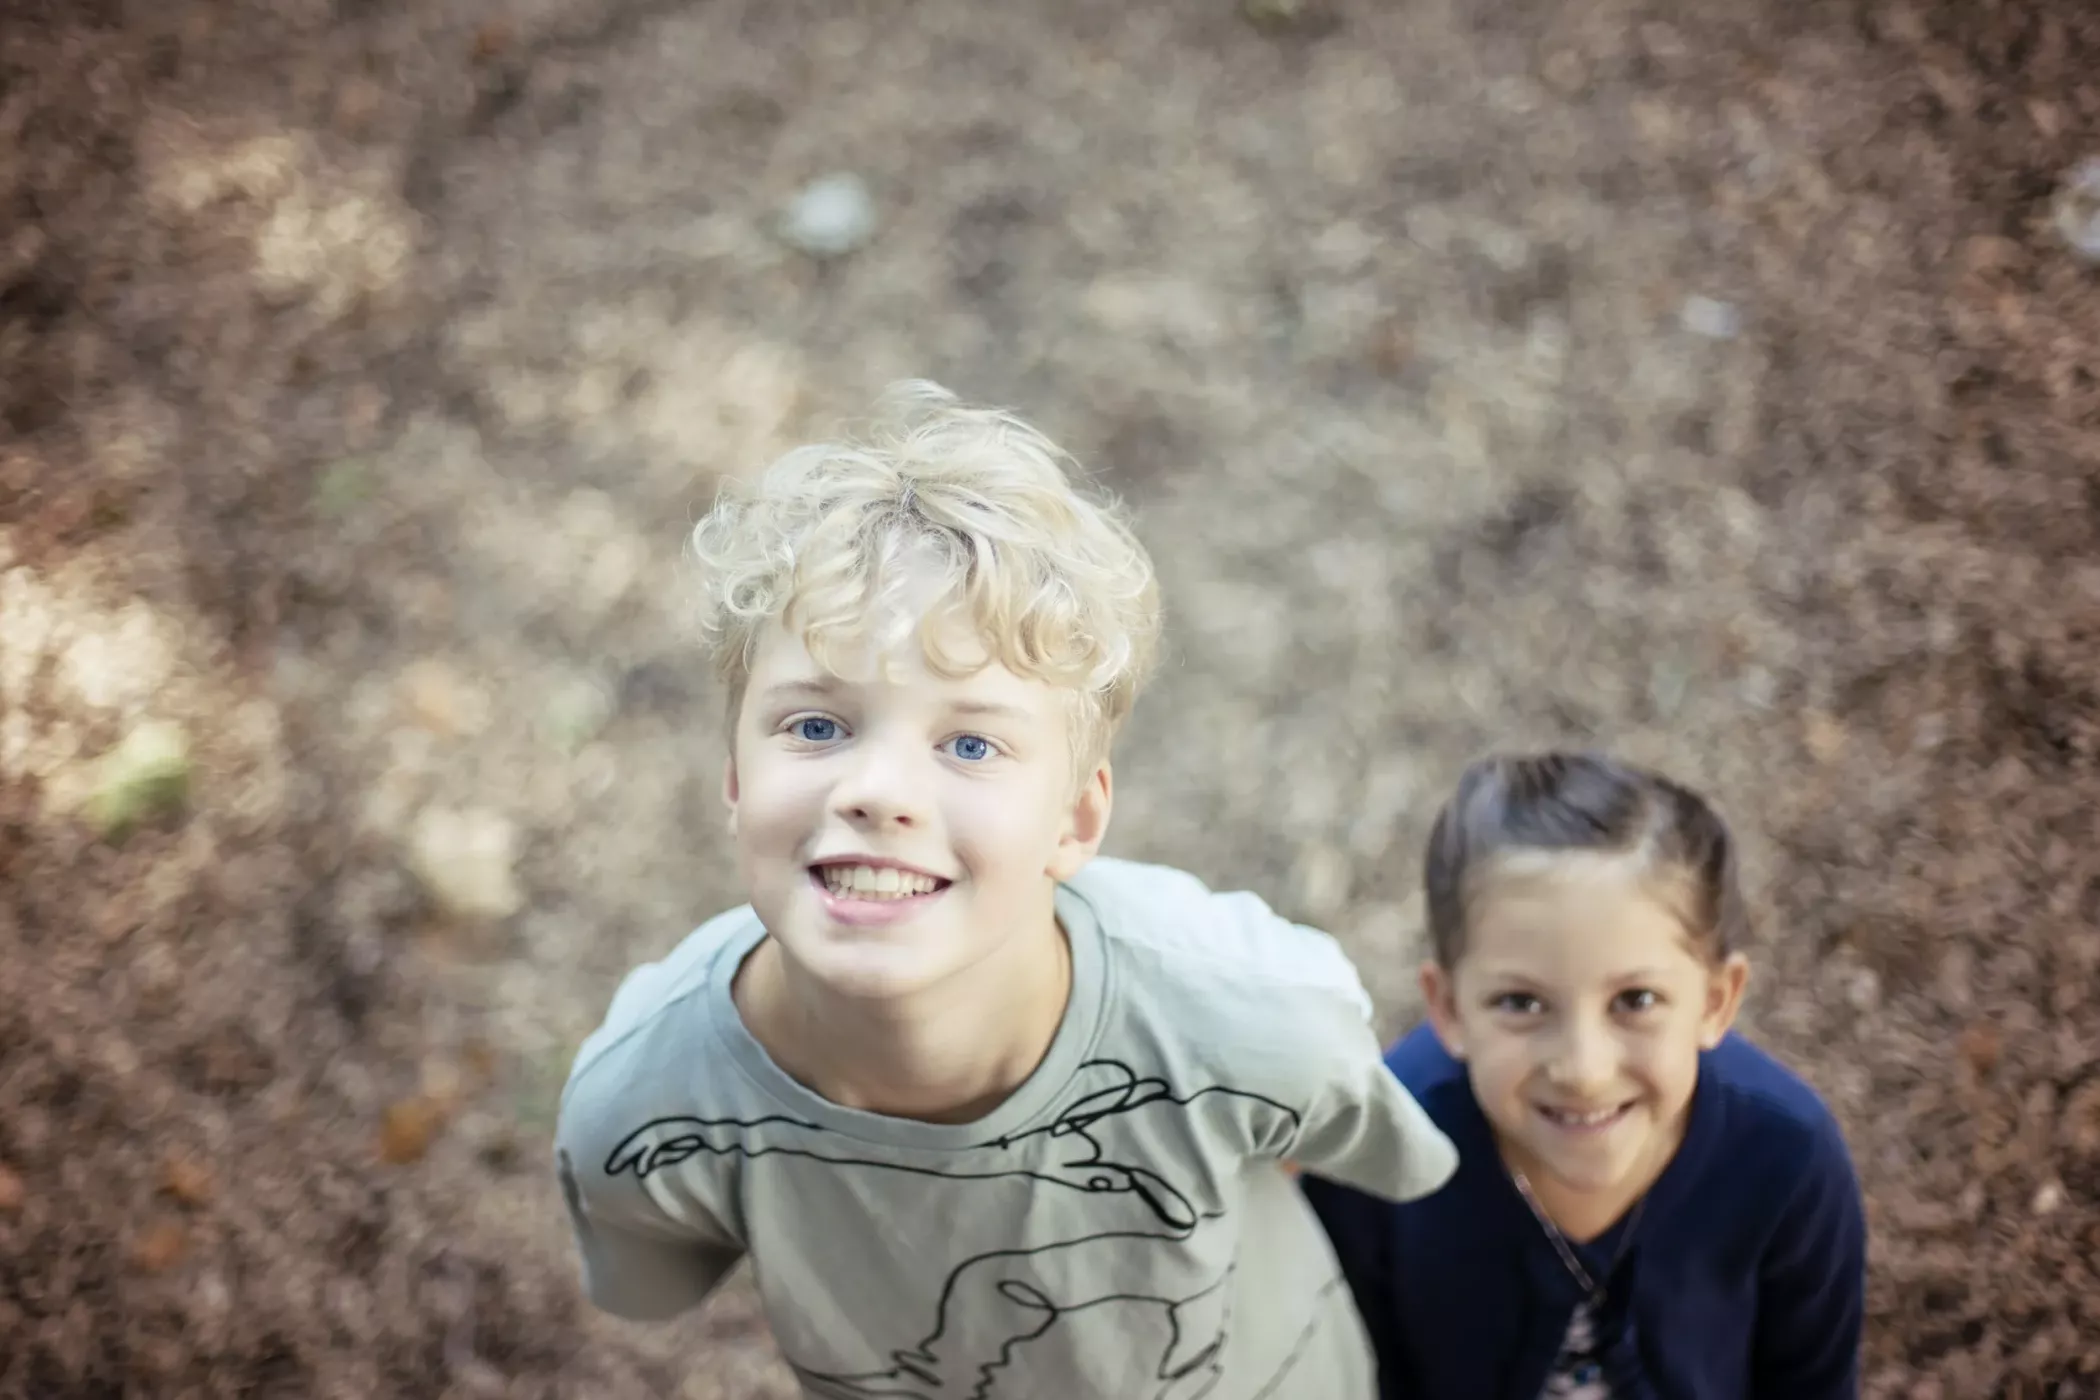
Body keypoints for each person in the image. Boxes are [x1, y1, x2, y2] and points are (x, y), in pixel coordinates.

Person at [554, 381, 1459, 1399]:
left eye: (972, 740)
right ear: (733, 777)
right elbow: (650, 1280)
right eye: (815, 725)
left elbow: (1384, 1166)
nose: (878, 790)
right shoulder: (641, 1110)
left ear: (1074, 819)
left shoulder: (1252, 1024)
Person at [1304, 752, 1866, 1400]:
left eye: (1635, 1001)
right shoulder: (1377, 1159)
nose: (1583, 1070)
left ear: (1715, 1000)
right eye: (1521, 1002)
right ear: (1449, 1008)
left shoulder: (1788, 1159)